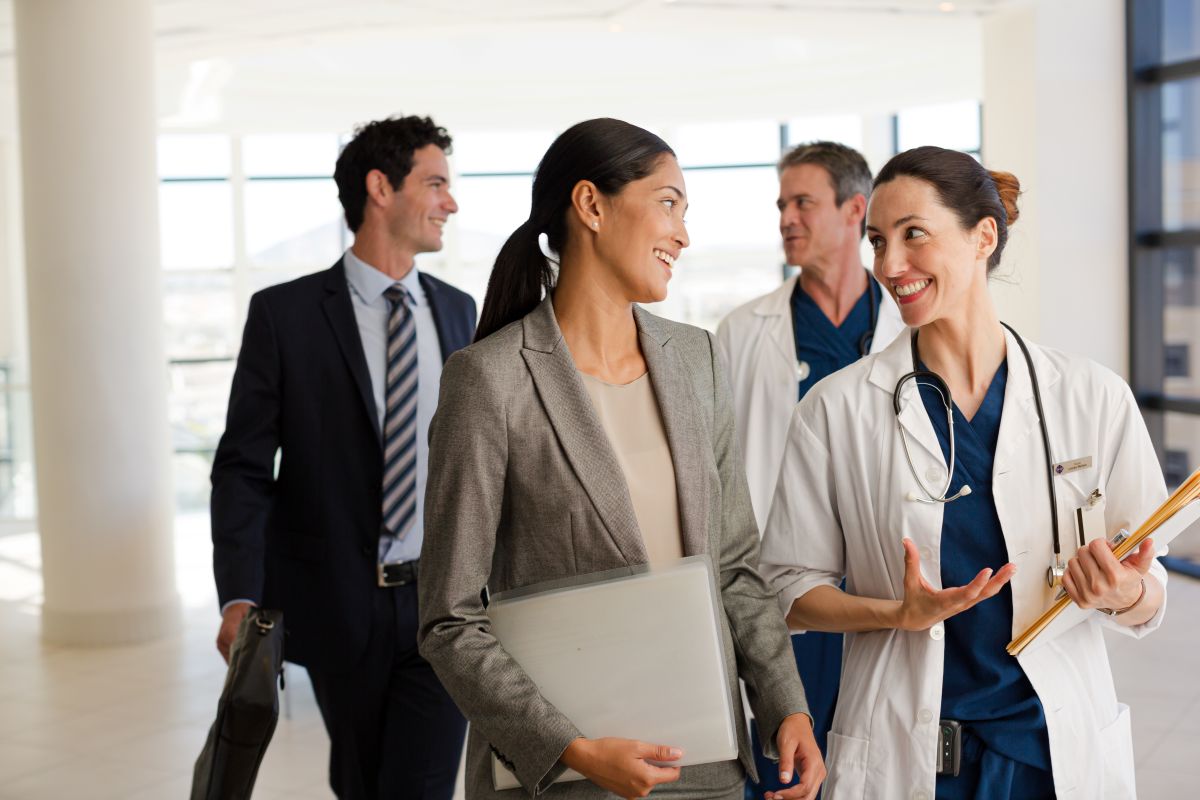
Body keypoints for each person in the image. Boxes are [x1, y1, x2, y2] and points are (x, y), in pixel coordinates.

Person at [416, 118, 825, 800]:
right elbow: (448, 620)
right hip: (564, 775)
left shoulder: (696, 360)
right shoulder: (490, 380)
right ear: (591, 206)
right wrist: (571, 748)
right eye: (668, 203)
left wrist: (788, 705)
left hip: (704, 763)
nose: (683, 235)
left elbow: (735, 567)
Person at [759, 145, 1168, 799]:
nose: (890, 266)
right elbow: (786, 588)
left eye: (913, 235)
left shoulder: (1091, 395)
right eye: (877, 241)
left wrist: (1122, 594)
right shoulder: (836, 409)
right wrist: (897, 613)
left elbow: (1149, 586)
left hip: (1051, 752)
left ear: (983, 237)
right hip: (907, 757)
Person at [210, 115, 476, 799]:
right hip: (337, 604)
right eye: (436, 183)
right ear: (380, 187)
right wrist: (240, 592)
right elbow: (243, 467)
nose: (451, 202)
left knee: (422, 785)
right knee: (360, 783)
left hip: (440, 604)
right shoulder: (286, 316)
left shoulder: (458, 312)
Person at [715, 142, 904, 788]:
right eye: (781, 205)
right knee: (785, 765)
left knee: (873, 760)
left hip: (877, 583)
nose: (786, 218)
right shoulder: (744, 332)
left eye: (803, 202)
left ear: (855, 210)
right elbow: (718, 468)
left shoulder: (907, 324)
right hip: (785, 590)